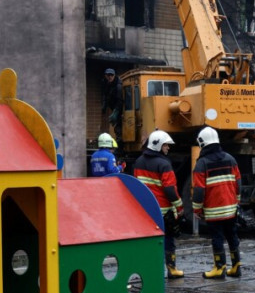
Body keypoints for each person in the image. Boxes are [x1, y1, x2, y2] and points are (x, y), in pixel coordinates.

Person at [192, 127, 243, 279]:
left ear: (202, 143)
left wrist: (197, 209)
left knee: (217, 238)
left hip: (214, 210)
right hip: (231, 208)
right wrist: (237, 201)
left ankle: (219, 268)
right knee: (232, 235)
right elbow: (238, 182)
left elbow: (199, 189)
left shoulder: (202, 163)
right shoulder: (230, 158)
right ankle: (236, 266)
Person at [134, 130, 184, 279]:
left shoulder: (138, 162)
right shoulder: (164, 164)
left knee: (149, 240)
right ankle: (172, 269)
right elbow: (170, 189)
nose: (168, 148)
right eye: (166, 145)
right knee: (168, 239)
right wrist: (179, 206)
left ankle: (149, 270)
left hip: (145, 210)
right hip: (163, 210)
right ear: (158, 146)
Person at [101, 68, 122, 138]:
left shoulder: (118, 85)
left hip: (119, 108)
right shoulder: (105, 83)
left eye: (111, 75)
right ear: (105, 76)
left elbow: (120, 100)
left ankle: (119, 144)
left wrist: (116, 111)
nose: (110, 77)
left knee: (118, 126)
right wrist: (104, 105)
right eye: (108, 75)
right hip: (112, 106)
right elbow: (105, 94)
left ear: (114, 75)